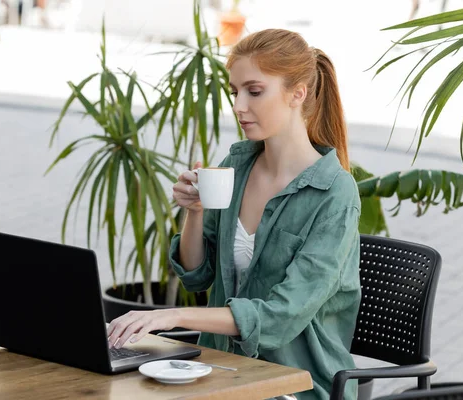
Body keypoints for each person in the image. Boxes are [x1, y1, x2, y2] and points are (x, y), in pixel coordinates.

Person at [106, 28, 361, 400]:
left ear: (298, 93)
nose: (239, 105)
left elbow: (280, 316)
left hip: (296, 386)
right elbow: (198, 275)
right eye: (235, 92)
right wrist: (194, 213)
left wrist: (170, 316)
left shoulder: (334, 193)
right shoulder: (236, 168)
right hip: (219, 370)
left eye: (254, 91)